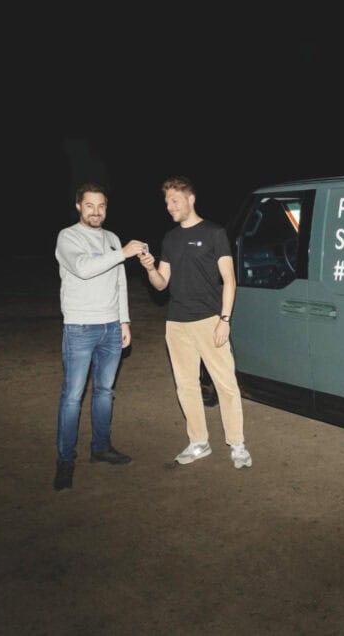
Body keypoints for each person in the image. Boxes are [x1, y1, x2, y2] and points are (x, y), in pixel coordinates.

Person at [138, 176, 252, 469]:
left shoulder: (215, 233)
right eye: (166, 202)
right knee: (185, 385)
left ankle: (237, 444)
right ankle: (199, 442)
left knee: (225, 385)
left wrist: (225, 319)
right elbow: (162, 284)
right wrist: (151, 269)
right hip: (176, 324)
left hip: (209, 320)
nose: (169, 207)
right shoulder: (170, 238)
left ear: (191, 199)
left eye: (174, 200)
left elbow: (229, 279)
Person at [53, 181, 148, 491]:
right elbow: (83, 268)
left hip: (110, 327)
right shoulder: (68, 237)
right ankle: (65, 460)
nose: (96, 211)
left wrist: (124, 321)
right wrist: (122, 252)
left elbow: (119, 281)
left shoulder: (111, 238)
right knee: (72, 396)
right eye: (90, 205)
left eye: (102, 206)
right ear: (79, 206)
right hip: (80, 327)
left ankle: (101, 448)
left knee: (105, 391)